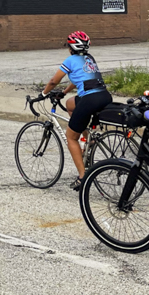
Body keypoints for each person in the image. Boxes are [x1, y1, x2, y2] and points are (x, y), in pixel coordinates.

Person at [39, 31, 113, 189]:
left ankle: (82, 176)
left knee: (71, 137)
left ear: (71, 47)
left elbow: (53, 81)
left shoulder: (70, 60)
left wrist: (43, 94)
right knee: (70, 104)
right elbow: (79, 77)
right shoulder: (89, 58)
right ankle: (89, 139)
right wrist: (64, 92)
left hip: (90, 100)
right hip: (104, 96)